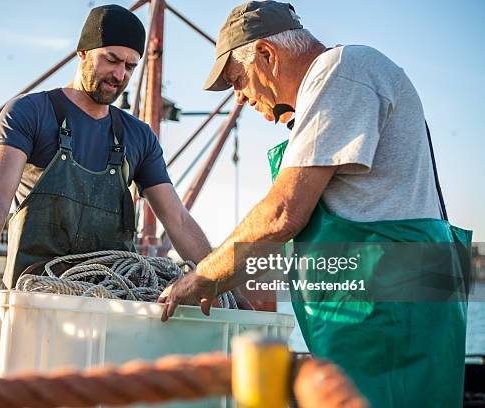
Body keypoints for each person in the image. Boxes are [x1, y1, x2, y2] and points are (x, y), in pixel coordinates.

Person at [158, 2, 471, 407]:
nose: (238, 98)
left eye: (238, 80)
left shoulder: (341, 70)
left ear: (267, 56)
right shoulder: (335, 87)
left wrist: (201, 278)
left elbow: (282, 214)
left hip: (388, 321)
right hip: (378, 319)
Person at [0, 4, 235, 318]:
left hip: (114, 303)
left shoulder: (138, 137)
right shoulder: (29, 112)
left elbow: (178, 221)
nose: (120, 75)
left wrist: (221, 283)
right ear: (82, 53)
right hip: (35, 300)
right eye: (111, 59)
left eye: (130, 66)